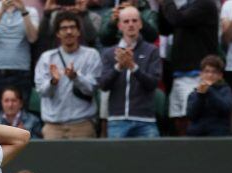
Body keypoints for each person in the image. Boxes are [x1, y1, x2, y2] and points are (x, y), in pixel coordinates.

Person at [34, 11, 101, 139]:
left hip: (82, 125)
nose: (69, 32)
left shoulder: (91, 55)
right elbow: (41, 91)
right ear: (58, 33)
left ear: (79, 31)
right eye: (64, 28)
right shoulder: (47, 58)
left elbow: (93, 88)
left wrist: (76, 78)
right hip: (53, 126)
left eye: (72, 27)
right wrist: (53, 81)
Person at [98, 6, 162, 138]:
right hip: (117, 120)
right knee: (116, 159)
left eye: (134, 20)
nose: (131, 24)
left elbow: (153, 83)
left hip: (145, 121)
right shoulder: (109, 53)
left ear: (140, 24)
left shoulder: (152, 51)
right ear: (119, 26)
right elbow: (103, 85)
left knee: (153, 158)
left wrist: (133, 67)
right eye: (126, 21)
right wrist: (119, 67)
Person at [158, 0, 219, 136]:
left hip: (197, 74)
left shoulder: (205, 4)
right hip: (179, 74)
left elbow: (178, 19)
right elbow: (165, 28)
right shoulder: (185, 7)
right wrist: (163, 7)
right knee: (179, 120)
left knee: (193, 121)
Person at [0, 0, 39, 117]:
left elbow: (32, 38)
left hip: (22, 72)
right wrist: (1, 11)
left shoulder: (30, 11)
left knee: (23, 116)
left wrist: (23, 11)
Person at [187, 55, 232, 137]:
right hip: (197, 134)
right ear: (201, 74)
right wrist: (201, 95)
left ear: (220, 76)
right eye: (207, 71)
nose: (210, 75)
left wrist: (209, 90)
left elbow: (226, 109)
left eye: (214, 72)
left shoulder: (225, 90)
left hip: (218, 133)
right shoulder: (194, 93)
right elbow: (191, 115)